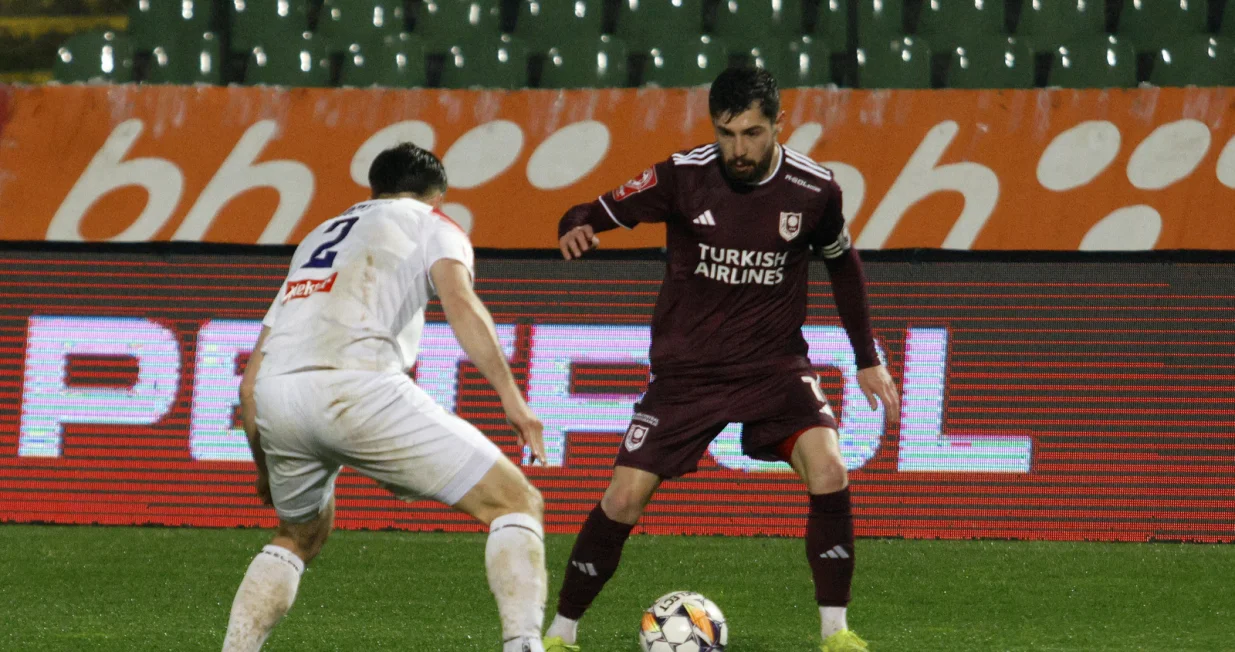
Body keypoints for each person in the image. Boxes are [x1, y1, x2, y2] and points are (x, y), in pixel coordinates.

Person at [543, 68, 901, 652]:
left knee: (830, 469)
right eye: (727, 133)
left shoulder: (816, 190)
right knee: (623, 498)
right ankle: (560, 634)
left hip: (774, 367)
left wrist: (867, 356)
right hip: (687, 375)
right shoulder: (681, 177)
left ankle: (836, 633)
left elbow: (843, 263)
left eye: (753, 133)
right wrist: (574, 227)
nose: (739, 149)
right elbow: (591, 210)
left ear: (778, 124)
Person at [223, 143, 549, 652]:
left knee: (298, 535)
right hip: (360, 387)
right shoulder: (432, 223)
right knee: (516, 501)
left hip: (278, 397)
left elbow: (249, 382)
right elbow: (460, 303)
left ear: (372, 188)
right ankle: (523, 645)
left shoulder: (316, 238)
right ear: (436, 195)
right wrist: (512, 398)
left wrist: (265, 468)